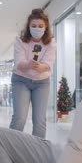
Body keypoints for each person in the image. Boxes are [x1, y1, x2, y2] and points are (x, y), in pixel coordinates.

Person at [10, 8, 56, 139]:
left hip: (42, 83)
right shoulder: (20, 40)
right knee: (19, 117)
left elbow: (48, 64)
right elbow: (19, 62)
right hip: (21, 80)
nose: (37, 29)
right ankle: (11, 147)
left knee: (40, 120)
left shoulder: (51, 42)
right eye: (34, 26)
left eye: (40, 26)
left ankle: (38, 151)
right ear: (28, 26)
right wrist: (27, 65)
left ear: (46, 27)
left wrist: (41, 66)